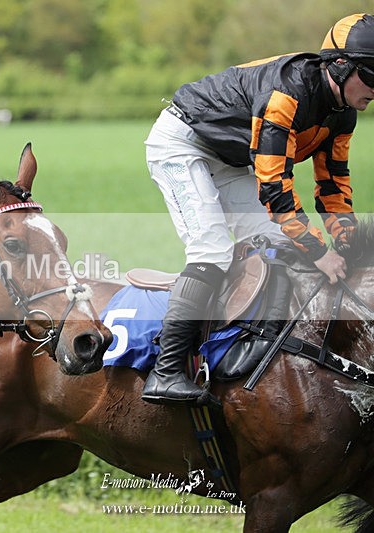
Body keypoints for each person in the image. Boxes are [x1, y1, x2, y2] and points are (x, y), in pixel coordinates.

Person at [142, 13, 374, 405]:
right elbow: (274, 186)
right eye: (371, 75)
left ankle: (253, 342)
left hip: (230, 157)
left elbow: (333, 184)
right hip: (182, 142)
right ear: (339, 65)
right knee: (212, 249)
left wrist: (346, 243)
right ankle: (165, 371)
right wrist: (319, 251)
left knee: (278, 244)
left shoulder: (343, 114)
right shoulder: (288, 93)